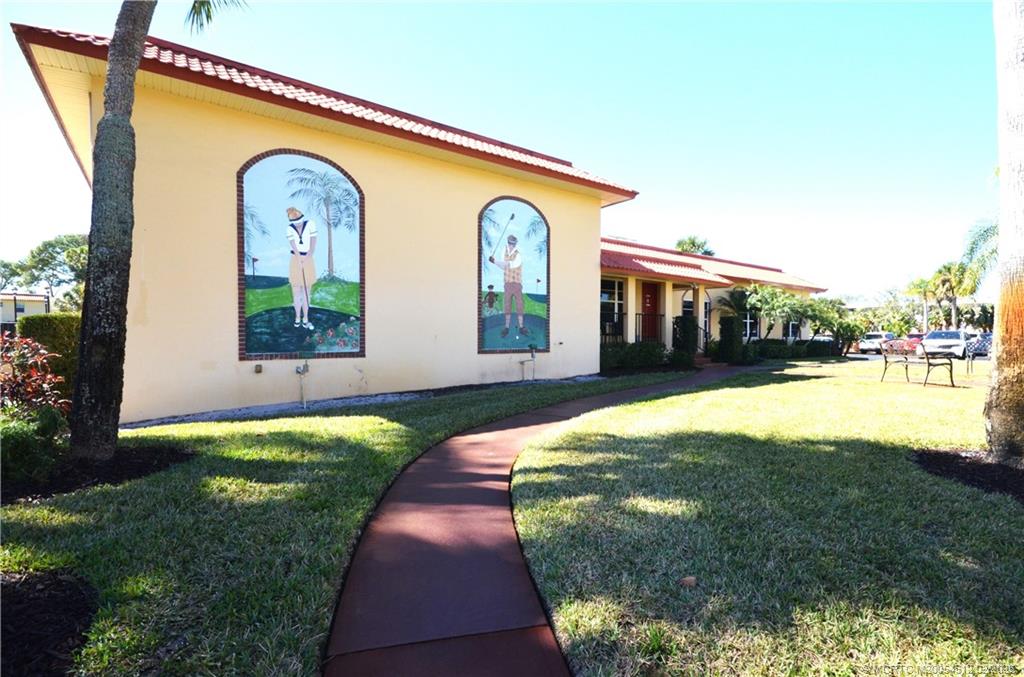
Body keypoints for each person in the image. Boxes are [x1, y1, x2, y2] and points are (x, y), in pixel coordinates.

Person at [488, 234, 529, 337]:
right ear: (508, 242)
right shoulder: (504, 251)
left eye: (513, 243)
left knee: (519, 305)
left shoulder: (518, 255)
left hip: (517, 283)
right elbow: (503, 266)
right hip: (507, 283)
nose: (511, 245)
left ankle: (521, 327)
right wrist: (496, 262)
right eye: (510, 243)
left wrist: (494, 261)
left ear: (515, 244)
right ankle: (506, 327)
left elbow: (508, 265)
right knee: (507, 305)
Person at [286, 206, 318, 330]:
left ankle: (306, 318)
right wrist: (299, 259)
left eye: (299, 221)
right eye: (295, 222)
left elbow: (313, 245)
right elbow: (294, 246)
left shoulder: (311, 224)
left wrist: (306, 258)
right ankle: (297, 317)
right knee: (296, 291)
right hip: (295, 259)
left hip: (308, 259)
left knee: (306, 291)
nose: (297, 224)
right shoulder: (289, 229)